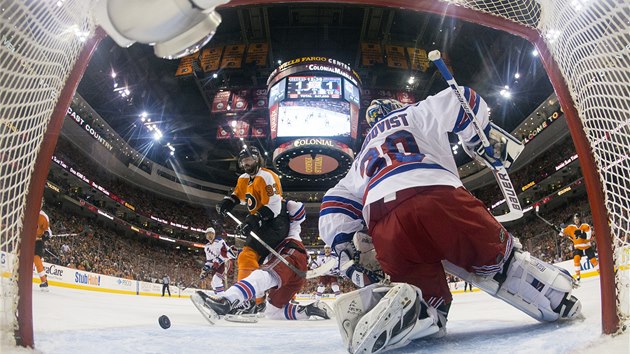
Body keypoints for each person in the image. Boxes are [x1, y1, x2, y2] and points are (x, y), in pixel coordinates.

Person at [319, 92, 582, 353]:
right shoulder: (417, 111)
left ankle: (415, 312)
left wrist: (343, 245)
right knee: (502, 262)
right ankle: (559, 300)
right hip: (437, 195)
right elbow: (464, 98)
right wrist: (478, 139)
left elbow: (334, 202)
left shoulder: (361, 156)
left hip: (384, 223)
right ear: (397, 106)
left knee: (432, 306)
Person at [195, 200, 332, 321]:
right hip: (296, 269)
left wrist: (282, 202)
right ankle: (309, 310)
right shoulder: (271, 225)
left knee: (265, 274)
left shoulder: (286, 214)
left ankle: (227, 301)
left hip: (291, 252)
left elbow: (299, 210)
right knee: (273, 312)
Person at [216, 146, 289, 312]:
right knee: (252, 259)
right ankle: (256, 301)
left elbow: (275, 206)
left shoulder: (267, 176)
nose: (246, 163)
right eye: (244, 161)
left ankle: (246, 301)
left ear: (258, 160)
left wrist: (253, 219)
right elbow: (238, 195)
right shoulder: (243, 178)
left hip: (276, 221)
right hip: (261, 222)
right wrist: (228, 202)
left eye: (249, 159)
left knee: (248, 255)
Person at [560, 213, 599, 281]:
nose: (576, 221)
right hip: (578, 248)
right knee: (576, 259)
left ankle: (600, 273)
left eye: (577, 219)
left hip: (587, 246)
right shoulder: (571, 227)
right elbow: (561, 233)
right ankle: (578, 276)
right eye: (575, 219)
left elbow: (588, 236)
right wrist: (560, 228)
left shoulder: (585, 226)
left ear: (579, 219)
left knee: (593, 260)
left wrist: (581, 232)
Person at [200, 227, 237, 295]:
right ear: (206, 236)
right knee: (213, 283)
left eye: (211, 234)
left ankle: (222, 298)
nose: (210, 236)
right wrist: (204, 270)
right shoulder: (207, 247)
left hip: (226, 262)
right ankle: (218, 297)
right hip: (218, 264)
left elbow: (225, 253)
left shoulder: (219, 241)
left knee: (216, 280)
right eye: (208, 234)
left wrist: (217, 261)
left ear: (214, 234)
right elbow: (209, 261)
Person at [35, 208, 51, 290]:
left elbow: (48, 230)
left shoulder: (43, 216)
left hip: (37, 242)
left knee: (36, 259)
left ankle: (44, 281)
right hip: (26, 239)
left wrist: (46, 234)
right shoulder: (25, 210)